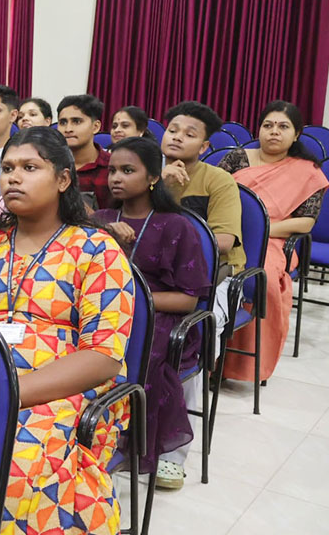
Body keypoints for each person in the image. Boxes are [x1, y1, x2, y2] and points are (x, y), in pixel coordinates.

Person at [0, 126, 134, 535]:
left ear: (63, 179)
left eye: (30, 167)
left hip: (62, 387)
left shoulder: (96, 250)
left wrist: (11, 392)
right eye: (7, 168)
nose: (13, 177)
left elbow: (103, 356)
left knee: (23, 455)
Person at [94, 137, 209, 489]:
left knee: (144, 351)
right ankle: (95, 434)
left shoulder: (176, 225)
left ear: (153, 178)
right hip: (104, 310)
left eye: (128, 170)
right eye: (113, 170)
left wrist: (134, 300)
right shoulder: (100, 220)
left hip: (161, 316)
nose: (116, 177)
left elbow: (188, 299)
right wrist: (104, 234)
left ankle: (146, 447)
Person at [159, 100, 244, 482]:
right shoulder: (145, 172)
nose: (177, 137)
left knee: (187, 338)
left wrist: (172, 200)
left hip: (211, 278)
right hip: (154, 275)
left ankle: (174, 449)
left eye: (189, 134)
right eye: (173, 129)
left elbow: (223, 241)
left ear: (205, 146)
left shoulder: (217, 181)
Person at [217, 100, 328, 383]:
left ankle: (239, 366)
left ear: (297, 134)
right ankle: (204, 354)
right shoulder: (237, 158)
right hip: (227, 233)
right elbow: (213, 199)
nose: (274, 132)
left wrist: (261, 230)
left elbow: (306, 222)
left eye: (282, 127)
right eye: (268, 125)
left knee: (261, 275)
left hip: (273, 241)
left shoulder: (307, 172)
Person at [57, 94, 111, 210]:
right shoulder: (49, 164)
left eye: (76, 121)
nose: (68, 129)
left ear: (95, 127)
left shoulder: (112, 167)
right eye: (63, 122)